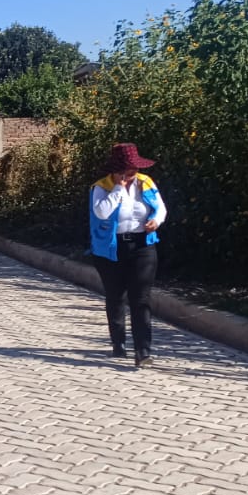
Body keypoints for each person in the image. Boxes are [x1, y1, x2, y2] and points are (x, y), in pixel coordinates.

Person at [90, 143, 168, 367]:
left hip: (142, 246)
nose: (131, 175)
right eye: (125, 170)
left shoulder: (146, 183)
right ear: (115, 171)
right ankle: (118, 343)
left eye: (134, 169)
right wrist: (117, 189)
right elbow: (101, 212)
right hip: (111, 249)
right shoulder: (101, 188)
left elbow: (161, 208)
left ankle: (143, 352)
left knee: (141, 298)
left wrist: (156, 220)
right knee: (115, 296)